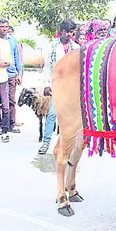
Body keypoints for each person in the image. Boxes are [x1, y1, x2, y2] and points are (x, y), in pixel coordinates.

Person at [39, 21, 80, 154]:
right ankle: (46, 142)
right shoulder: (53, 46)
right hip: (56, 84)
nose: (68, 34)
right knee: (52, 114)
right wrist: (46, 84)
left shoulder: (76, 47)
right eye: (66, 31)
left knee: (70, 116)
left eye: (71, 31)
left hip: (71, 86)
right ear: (61, 31)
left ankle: (68, 145)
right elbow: (47, 67)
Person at [0, 19, 23, 133]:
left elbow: (17, 57)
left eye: (6, 27)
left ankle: (11, 124)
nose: (4, 29)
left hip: (11, 74)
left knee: (11, 100)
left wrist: (20, 73)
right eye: (2, 26)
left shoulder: (12, 40)